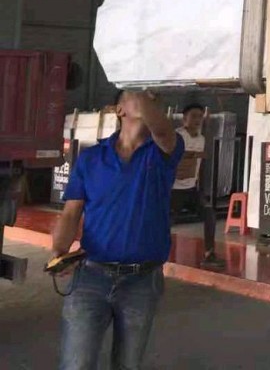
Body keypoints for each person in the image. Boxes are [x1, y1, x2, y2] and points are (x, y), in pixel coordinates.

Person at [52, 89, 183, 370]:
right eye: (137, 95)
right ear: (119, 110)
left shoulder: (162, 153)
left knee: (127, 365)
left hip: (142, 281)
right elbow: (72, 212)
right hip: (90, 277)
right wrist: (59, 252)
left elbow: (162, 130)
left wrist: (142, 93)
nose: (148, 100)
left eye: (153, 99)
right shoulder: (91, 158)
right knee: (76, 363)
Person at [170, 105, 207, 218]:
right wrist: (194, 155)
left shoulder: (201, 139)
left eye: (200, 116)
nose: (197, 120)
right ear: (185, 118)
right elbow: (172, 155)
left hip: (191, 187)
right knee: (170, 218)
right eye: (194, 116)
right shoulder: (177, 136)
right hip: (174, 187)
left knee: (207, 214)